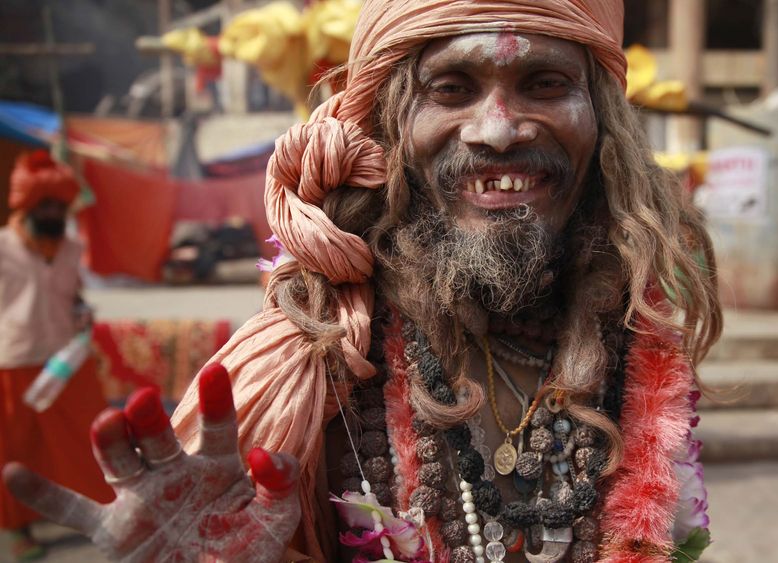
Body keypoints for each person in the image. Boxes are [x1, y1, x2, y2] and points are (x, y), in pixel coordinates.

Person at [2, 2, 721, 561]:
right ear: (386, 127)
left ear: (605, 125)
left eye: (544, 83)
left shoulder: (631, 344)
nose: (498, 130)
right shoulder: (299, 368)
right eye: (451, 87)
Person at [0, 150, 114, 560]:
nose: (52, 211)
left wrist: (82, 312)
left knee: (91, 439)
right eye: (44, 204)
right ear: (27, 204)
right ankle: (14, 528)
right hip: (14, 362)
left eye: (58, 205)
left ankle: (110, 515)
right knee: (13, 449)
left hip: (67, 361)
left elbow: (74, 296)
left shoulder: (69, 248)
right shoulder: (3, 247)